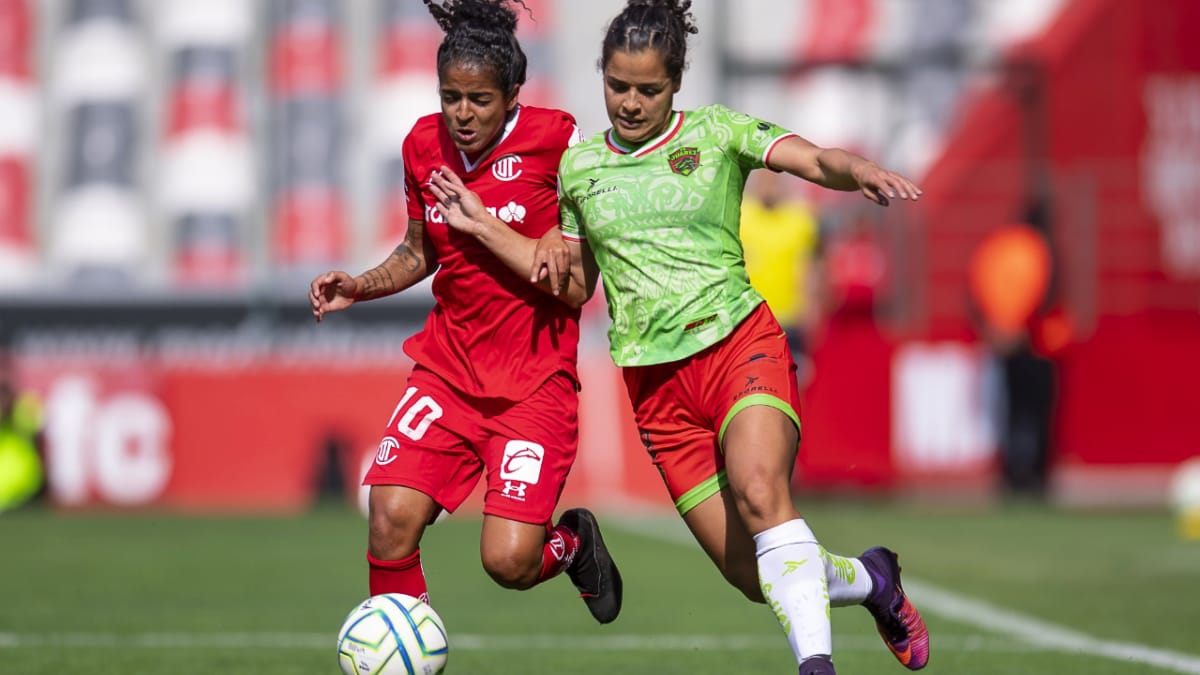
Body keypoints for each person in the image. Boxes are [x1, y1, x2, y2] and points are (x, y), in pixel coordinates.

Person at [429, 1, 928, 672]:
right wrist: (484, 226)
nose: (630, 102)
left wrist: (855, 169)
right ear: (601, 75)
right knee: (756, 577)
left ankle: (816, 665)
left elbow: (809, 158)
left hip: (736, 347)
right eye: (617, 85)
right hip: (659, 393)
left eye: (648, 89)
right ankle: (873, 581)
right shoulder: (580, 171)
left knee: (759, 491)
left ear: (677, 84)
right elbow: (573, 284)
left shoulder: (718, 134)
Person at [309, 0, 621, 625]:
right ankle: (402, 654)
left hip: (533, 385)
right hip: (448, 371)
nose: (462, 113)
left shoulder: (557, 141)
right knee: (390, 517)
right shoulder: (423, 146)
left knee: (509, 563)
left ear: (511, 95)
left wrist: (491, 228)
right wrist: (361, 285)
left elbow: (575, 286)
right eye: (450, 96)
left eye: (479, 99)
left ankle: (573, 543)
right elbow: (419, 250)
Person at [740, 170, 822, 387]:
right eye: (764, 181)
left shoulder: (800, 220)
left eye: (773, 181)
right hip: (752, 316)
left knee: (793, 383)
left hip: (790, 318)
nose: (769, 187)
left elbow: (809, 267)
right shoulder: (741, 215)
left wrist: (811, 306)